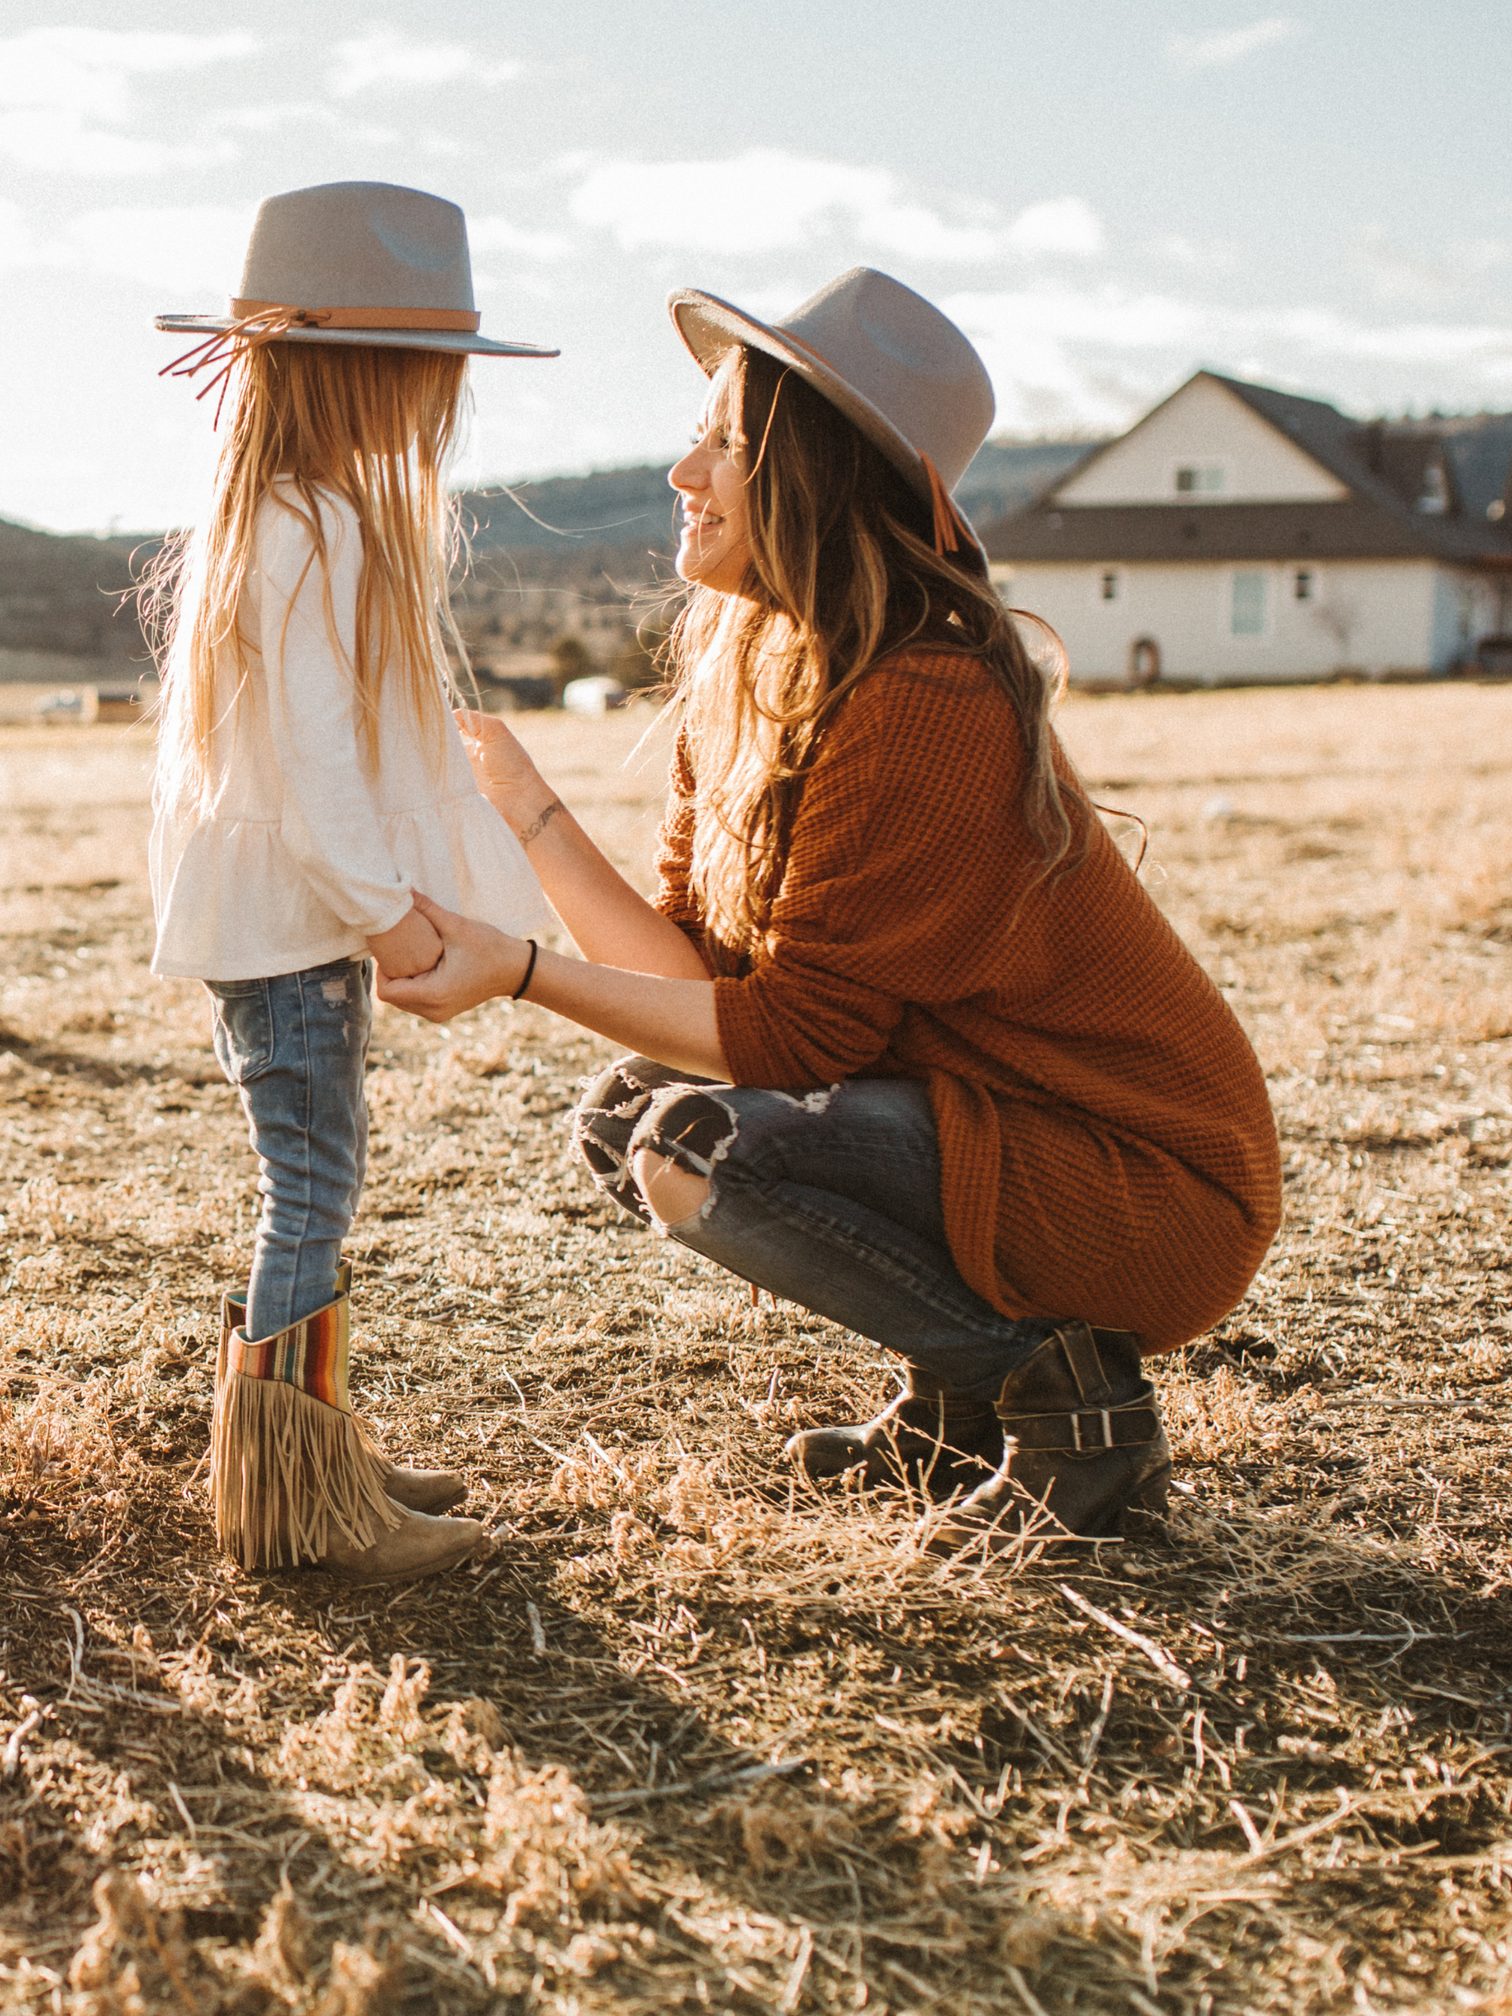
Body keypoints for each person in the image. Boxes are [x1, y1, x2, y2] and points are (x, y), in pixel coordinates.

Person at [379, 267, 1283, 1537]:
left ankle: (1072, 1411)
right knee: (630, 1110)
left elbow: (795, 1040)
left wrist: (519, 970)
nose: (684, 470)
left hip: (1135, 1180)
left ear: (816, 474)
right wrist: (522, 806)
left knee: (691, 1145)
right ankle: (958, 1403)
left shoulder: (922, 694)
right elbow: (696, 986)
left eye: (727, 442)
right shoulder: (764, 668)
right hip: (985, 1131)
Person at [148, 181, 556, 1582]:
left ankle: (313, 1447)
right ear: (359, 376)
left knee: (316, 1182)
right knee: (310, 1193)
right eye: (425, 379)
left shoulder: (285, 514)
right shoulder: (302, 532)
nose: (437, 411)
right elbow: (319, 776)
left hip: (286, 922)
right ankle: (293, 1507)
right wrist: (391, 919)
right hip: (300, 926)